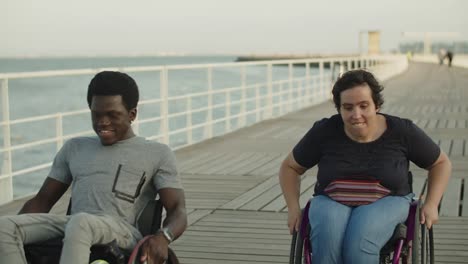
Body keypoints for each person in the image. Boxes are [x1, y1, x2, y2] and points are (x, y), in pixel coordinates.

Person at [0, 71, 187, 264]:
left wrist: (164, 237)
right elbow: (42, 201)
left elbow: (177, 209)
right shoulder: (74, 147)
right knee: (5, 226)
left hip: (121, 231)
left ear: (132, 114)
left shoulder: (157, 153)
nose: (102, 122)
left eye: (112, 115)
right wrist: (23, 229)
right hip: (73, 226)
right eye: (96, 114)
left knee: (81, 222)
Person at [279, 69, 451, 263]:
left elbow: (440, 163)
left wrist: (432, 203)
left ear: (376, 105)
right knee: (327, 237)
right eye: (348, 107)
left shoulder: (401, 131)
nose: (356, 114)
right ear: (339, 109)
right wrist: (293, 208)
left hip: (388, 199)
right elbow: (290, 167)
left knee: (359, 242)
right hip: (331, 198)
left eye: (363, 106)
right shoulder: (324, 131)